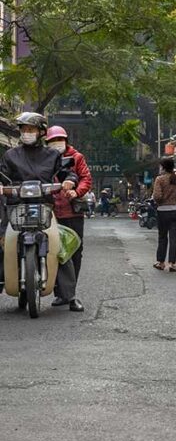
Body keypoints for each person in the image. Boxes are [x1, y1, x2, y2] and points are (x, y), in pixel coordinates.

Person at [0, 113, 81, 311]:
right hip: (15, 208)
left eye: (31, 129)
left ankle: (69, 296)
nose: (26, 133)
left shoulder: (52, 155)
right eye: (24, 129)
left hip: (44, 207)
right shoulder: (10, 155)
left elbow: (67, 172)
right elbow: (2, 174)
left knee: (59, 246)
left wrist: (70, 180)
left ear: (41, 132)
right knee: (2, 244)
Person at [45, 126, 93, 308]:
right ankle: (60, 293)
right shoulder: (44, 159)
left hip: (72, 212)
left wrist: (76, 191)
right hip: (49, 211)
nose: (56, 144)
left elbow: (86, 179)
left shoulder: (76, 157)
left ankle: (70, 293)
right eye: (52, 141)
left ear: (65, 140)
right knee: (53, 252)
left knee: (73, 252)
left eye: (59, 140)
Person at [151, 158, 176, 273]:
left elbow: (157, 196)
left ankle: (161, 263)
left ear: (163, 167)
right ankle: (172, 264)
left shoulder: (160, 179)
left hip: (163, 212)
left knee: (162, 237)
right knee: (174, 239)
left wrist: (161, 202)